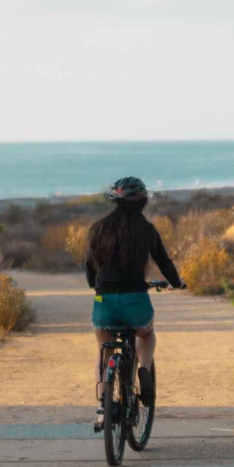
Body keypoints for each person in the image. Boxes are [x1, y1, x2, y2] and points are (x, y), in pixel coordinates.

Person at [84, 176, 183, 431]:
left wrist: (95, 284)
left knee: (103, 350)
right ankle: (145, 369)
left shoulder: (98, 229)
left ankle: (103, 407)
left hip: (104, 300)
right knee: (146, 333)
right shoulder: (147, 230)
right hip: (136, 300)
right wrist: (176, 282)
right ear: (143, 201)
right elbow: (164, 261)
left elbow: (89, 268)